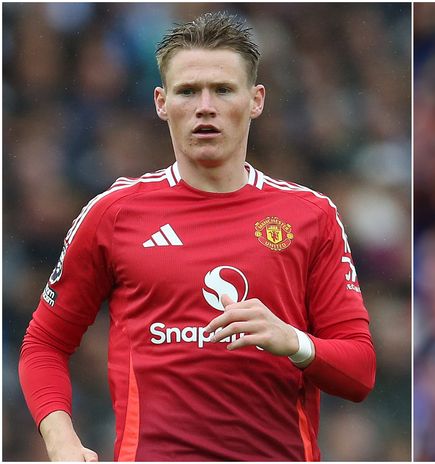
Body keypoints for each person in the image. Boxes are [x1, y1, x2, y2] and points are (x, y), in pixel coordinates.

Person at [19, 12, 375, 462]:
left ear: (256, 100)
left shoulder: (310, 216)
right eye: (188, 91)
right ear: (161, 102)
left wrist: (293, 342)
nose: (205, 106)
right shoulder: (114, 212)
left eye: (223, 90)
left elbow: (360, 371)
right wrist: (61, 441)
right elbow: (43, 344)